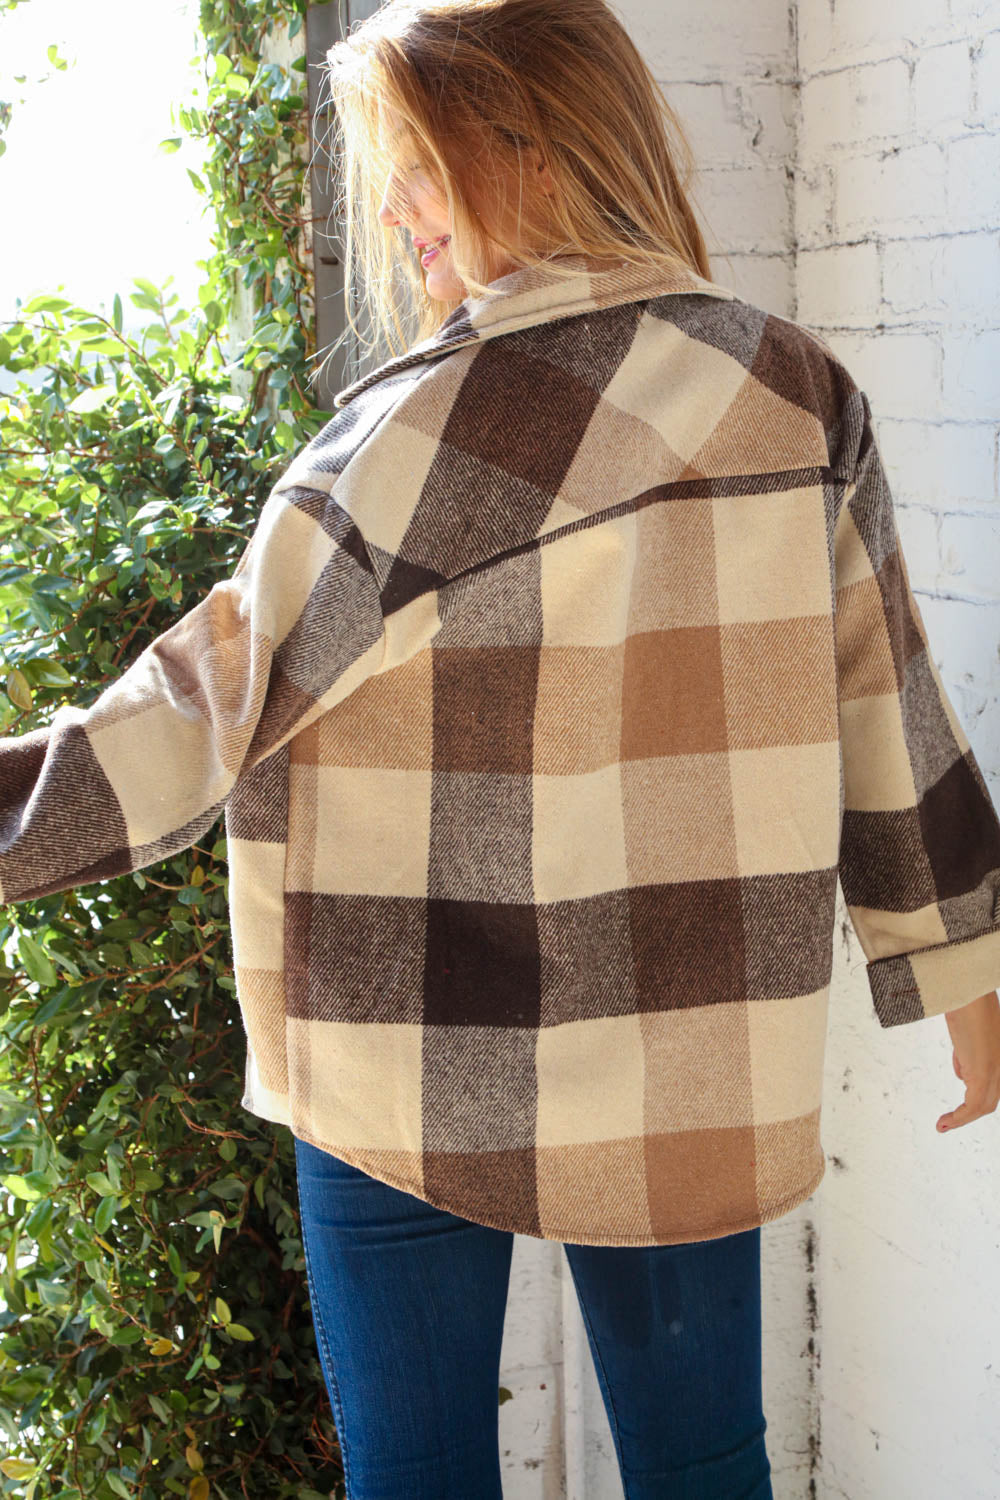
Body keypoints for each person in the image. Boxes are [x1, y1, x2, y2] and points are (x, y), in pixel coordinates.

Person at [2, 1, 999, 1495]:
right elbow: (887, 701)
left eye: (416, 165)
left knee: (416, 1474)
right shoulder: (794, 395)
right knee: (705, 1464)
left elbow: (192, 722)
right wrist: (965, 965)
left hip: (397, 1041)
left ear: (527, 145)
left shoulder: (405, 442)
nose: (393, 211)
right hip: (688, 1039)